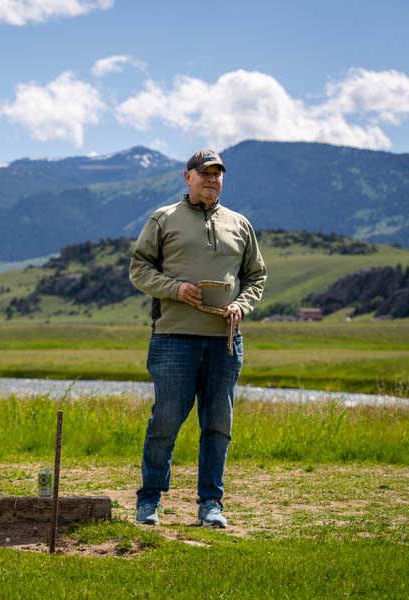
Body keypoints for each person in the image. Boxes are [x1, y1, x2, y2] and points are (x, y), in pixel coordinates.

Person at [129, 149, 266, 528]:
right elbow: (139, 270)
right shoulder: (163, 219)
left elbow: (256, 276)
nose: (212, 179)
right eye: (204, 173)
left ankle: (211, 505)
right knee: (166, 420)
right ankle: (149, 501)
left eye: (218, 173)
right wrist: (174, 289)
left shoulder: (240, 224)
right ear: (187, 177)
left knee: (218, 424)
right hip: (174, 338)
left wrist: (242, 304)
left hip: (225, 340)